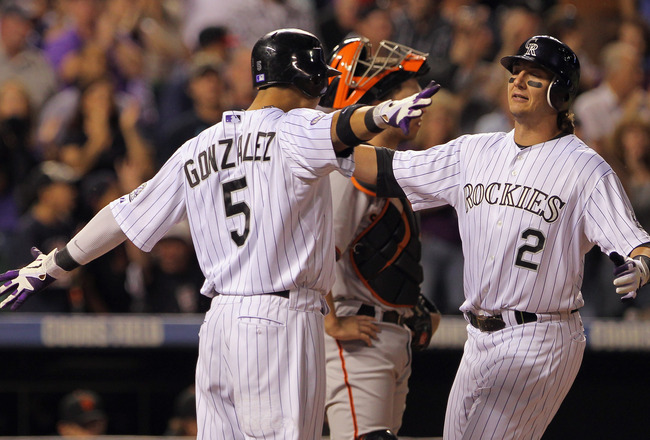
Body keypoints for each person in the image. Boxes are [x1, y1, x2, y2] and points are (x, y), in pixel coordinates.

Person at [0, 28, 438, 439]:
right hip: (279, 323)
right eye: (319, 80)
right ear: (305, 78)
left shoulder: (198, 145)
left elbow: (122, 216)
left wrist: (55, 263)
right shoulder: (294, 128)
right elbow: (343, 127)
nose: (323, 89)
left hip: (219, 326)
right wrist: (381, 112)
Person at [351, 35, 650, 440]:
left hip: (540, 336)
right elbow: (384, 169)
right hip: (479, 338)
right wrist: (341, 130)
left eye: (534, 75)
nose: (518, 81)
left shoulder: (586, 170)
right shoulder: (474, 150)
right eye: (515, 72)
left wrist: (639, 265)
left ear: (560, 92)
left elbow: (637, 243)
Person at [319, 37, 441, 440]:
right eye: (412, 92)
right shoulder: (348, 168)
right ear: (381, 103)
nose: (423, 101)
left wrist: (413, 305)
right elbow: (317, 255)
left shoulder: (391, 168)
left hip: (389, 337)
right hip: (357, 339)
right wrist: (332, 322)